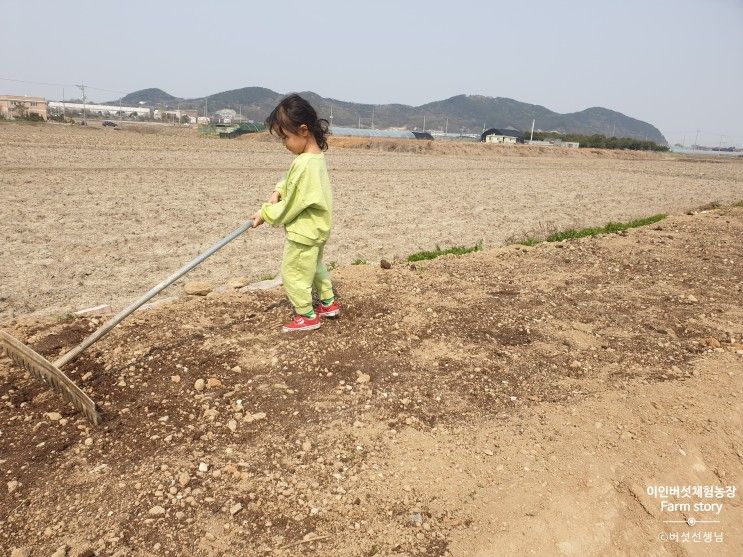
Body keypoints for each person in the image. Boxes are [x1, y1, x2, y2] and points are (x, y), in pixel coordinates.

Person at [250, 94, 339, 332]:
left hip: (303, 231)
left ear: (303, 130)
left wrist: (265, 214)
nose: (284, 144)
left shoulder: (303, 164)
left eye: (285, 137)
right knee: (315, 266)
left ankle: (307, 315)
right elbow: (290, 180)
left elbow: (292, 206)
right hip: (318, 227)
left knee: (293, 273)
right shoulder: (314, 157)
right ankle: (328, 303)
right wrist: (278, 190)